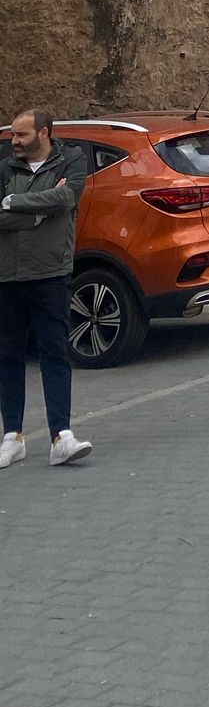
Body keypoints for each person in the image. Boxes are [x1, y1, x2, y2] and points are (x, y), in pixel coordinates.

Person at [0, 109, 92, 468]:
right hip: (7, 275)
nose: (14, 141)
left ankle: (61, 437)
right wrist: (41, 212)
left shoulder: (71, 160)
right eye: (13, 134)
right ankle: (12, 437)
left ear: (44, 133)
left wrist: (13, 202)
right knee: (8, 356)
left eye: (21, 135)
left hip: (51, 273)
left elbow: (67, 199)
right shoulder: (5, 168)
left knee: (55, 353)